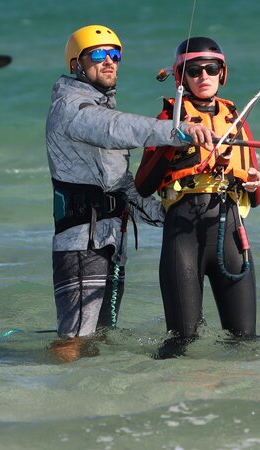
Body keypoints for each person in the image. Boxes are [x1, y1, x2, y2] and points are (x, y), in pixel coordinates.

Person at [45, 24, 218, 363]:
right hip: (82, 243)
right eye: (98, 55)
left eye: (115, 55)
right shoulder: (72, 108)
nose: (109, 61)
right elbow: (116, 129)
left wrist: (172, 216)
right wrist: (178, 130)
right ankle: (59, 394)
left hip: (109, 238)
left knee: (100, 336)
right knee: (75, 339)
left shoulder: (100, 106)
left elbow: (121, 186)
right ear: (75, 64)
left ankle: (92, 402)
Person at [134, 37, 260, 359]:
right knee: (181, 342)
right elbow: (143, 185)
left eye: (211, 68)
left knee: (245, 341)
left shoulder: (236, 118)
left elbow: (259, 196)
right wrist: (174, 140)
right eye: (194, 70)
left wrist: (255, 184)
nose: (203, 76)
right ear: (180, 77)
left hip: (231, 235)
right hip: (184, 236)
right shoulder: (169, 119)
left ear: (222, 73)